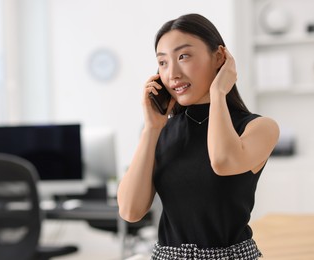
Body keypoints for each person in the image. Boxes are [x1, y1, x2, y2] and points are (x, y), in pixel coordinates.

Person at [117, 13, 279, 260]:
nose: (172, 74)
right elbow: (130, 211)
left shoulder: (259, 128)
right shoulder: (159, 132)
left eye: (183, 56)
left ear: (219, 57)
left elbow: (223, 161)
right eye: (163, 62)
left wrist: (218, 93)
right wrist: (151, 129)